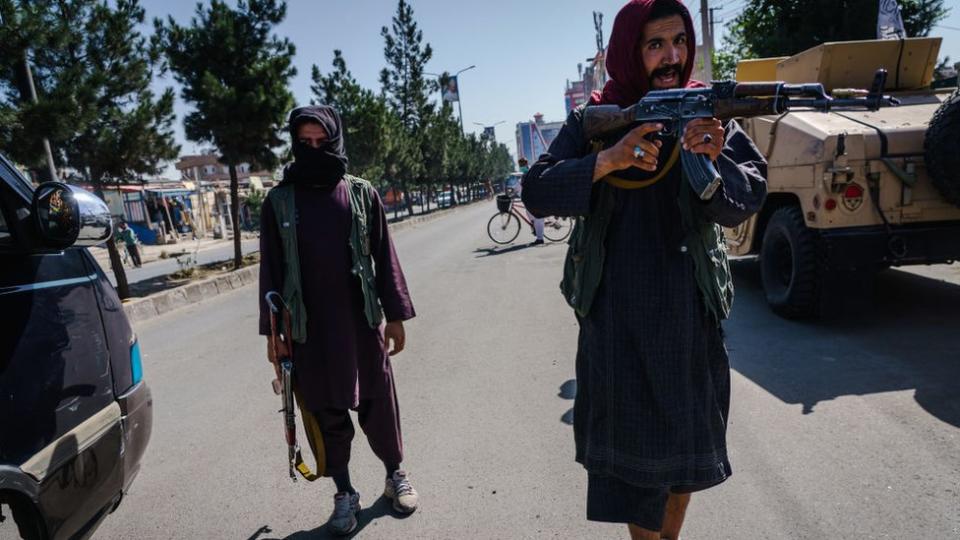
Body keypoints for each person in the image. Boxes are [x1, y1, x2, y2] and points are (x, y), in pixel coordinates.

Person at [521, 1, 768, 539]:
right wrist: (609, 159)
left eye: (679, 42)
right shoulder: (600, 116)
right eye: (656, 44)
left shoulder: (708, 111)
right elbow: (535, 191)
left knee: (686, 463)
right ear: (631, 51)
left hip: (688, 315)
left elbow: (748, 196)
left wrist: (713, 158)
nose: (672, 56)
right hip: (618, 320)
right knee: (635, 469)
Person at [259, 105, 419, 536]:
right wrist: (273, 338)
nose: (314, 150)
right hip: (308, 332)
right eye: (305, 143)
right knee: (327, 415)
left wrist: (397, 315)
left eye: (322, 143)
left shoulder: (361, 193)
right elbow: (270, 274)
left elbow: (384, 257)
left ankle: (395, 474)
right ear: (295, 144)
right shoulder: (278, 201)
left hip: (362, 323)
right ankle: (345, 492)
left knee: (379, 405)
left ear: (335, 141)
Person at [516, 158, 545, 245]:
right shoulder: (525, 173)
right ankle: (536, 230)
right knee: (530, 215)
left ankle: (540, 239)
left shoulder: (529, 171)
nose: (520, 167)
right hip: (530, 199)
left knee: (537, 218)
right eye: (520, 165)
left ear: (525, 164)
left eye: (521, 165)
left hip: (535, 198)